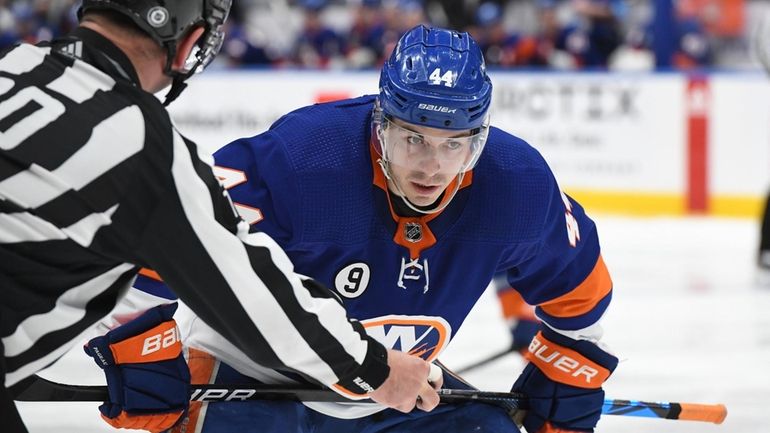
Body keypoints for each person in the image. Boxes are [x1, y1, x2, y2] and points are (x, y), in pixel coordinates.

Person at [114, 24, 619, 433]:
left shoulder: (516, 184)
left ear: (479, 141)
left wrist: (570, 368)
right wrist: (141, 349)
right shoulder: (307, 161)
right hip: (251, 377)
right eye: (413, 140)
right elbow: (164, 229)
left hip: (395, 394)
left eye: (453, 145)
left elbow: (578, 285)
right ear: (381, 125)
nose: (431, 168)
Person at [0, 1, 440, 432]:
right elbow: (252, 298)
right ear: (192, 40)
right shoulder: (143, 147)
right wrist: (376, 369)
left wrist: (135, 340)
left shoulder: (11, 64)